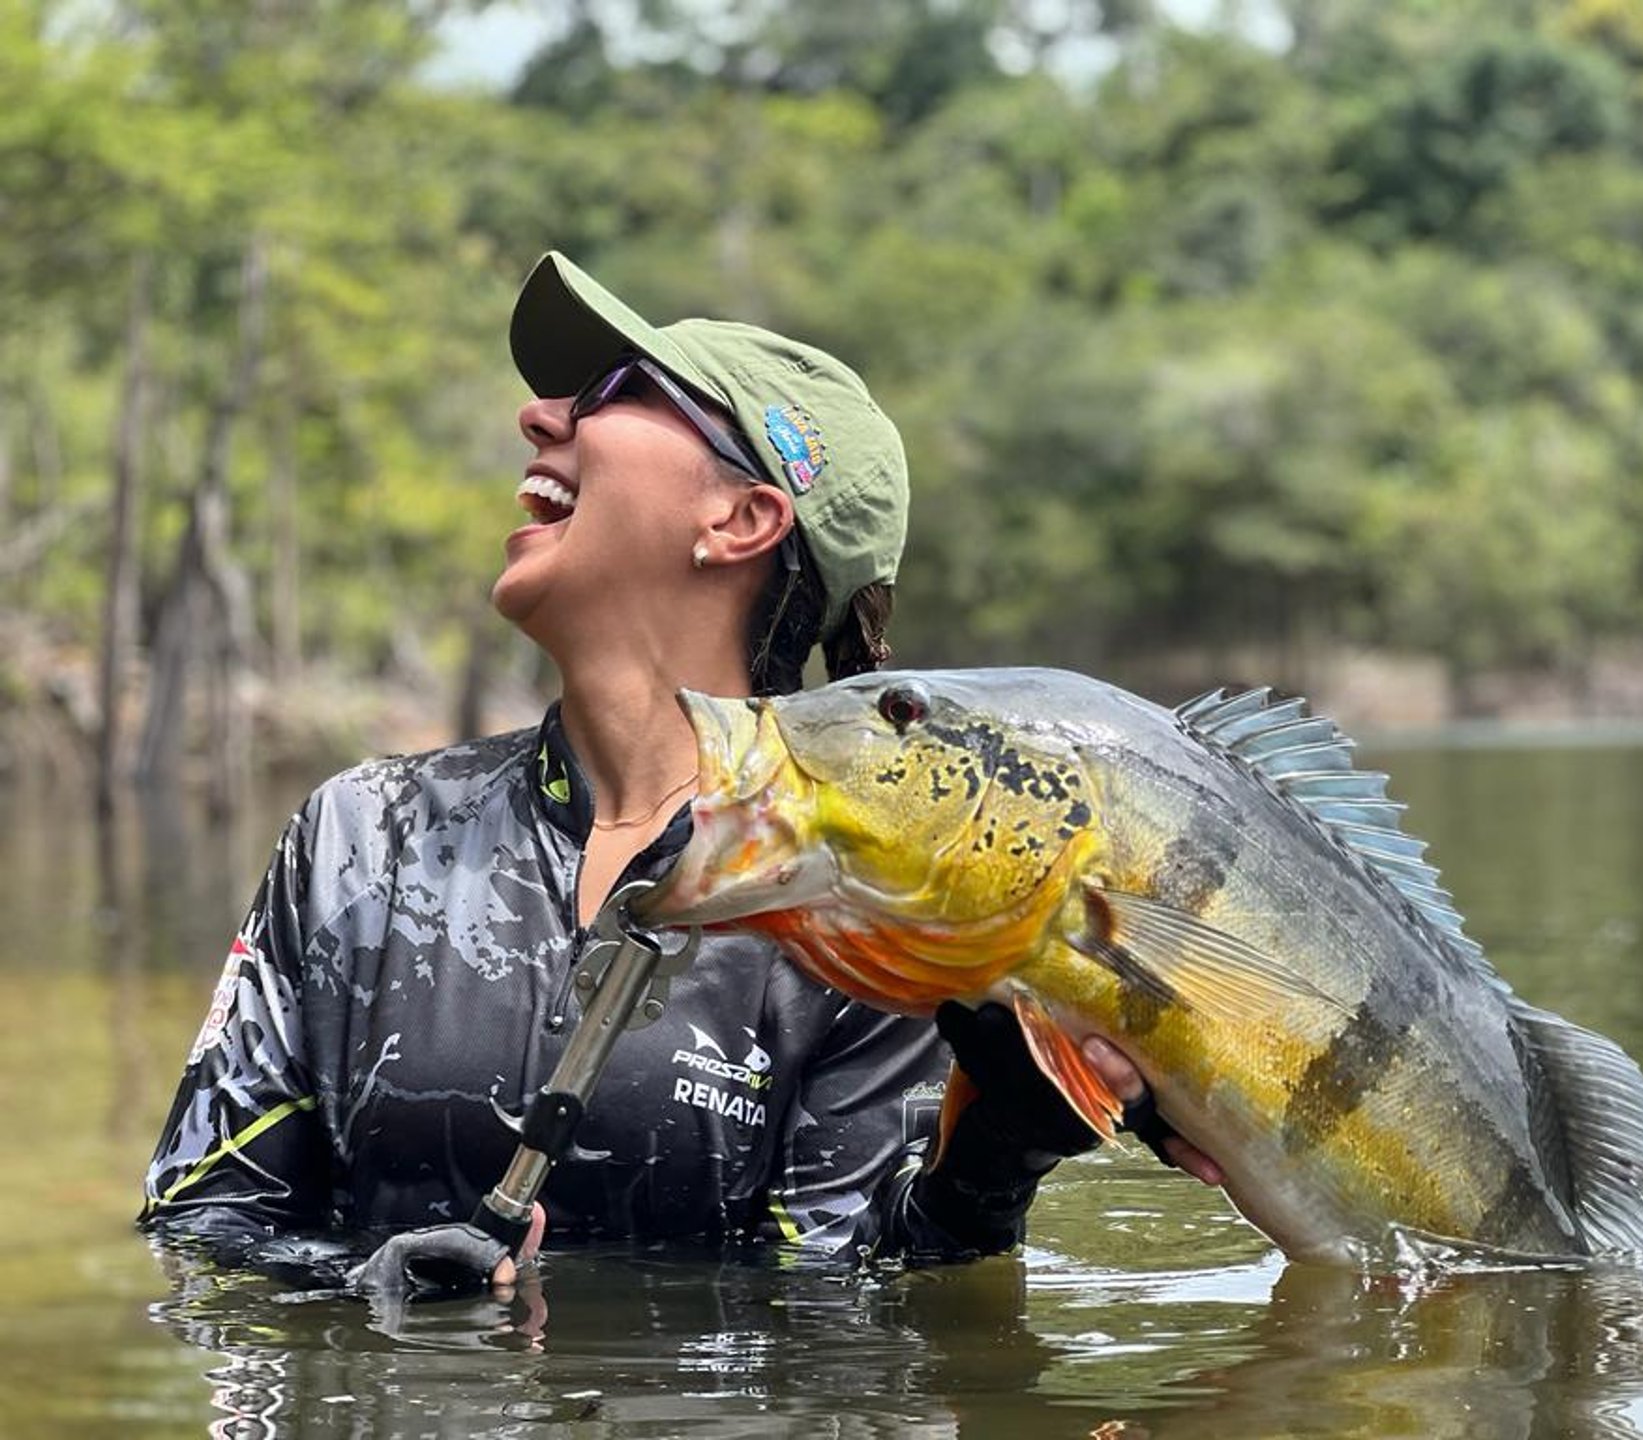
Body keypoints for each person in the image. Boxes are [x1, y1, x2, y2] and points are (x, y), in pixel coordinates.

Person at [140, 252, 1216, 1295]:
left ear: (742, 520)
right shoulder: (361, 834)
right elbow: (199, 1224)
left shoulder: (875, 916)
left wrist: (987, 1170)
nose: (539, 416)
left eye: (615, 392)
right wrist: (364, 1286)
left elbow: (852, 1310)